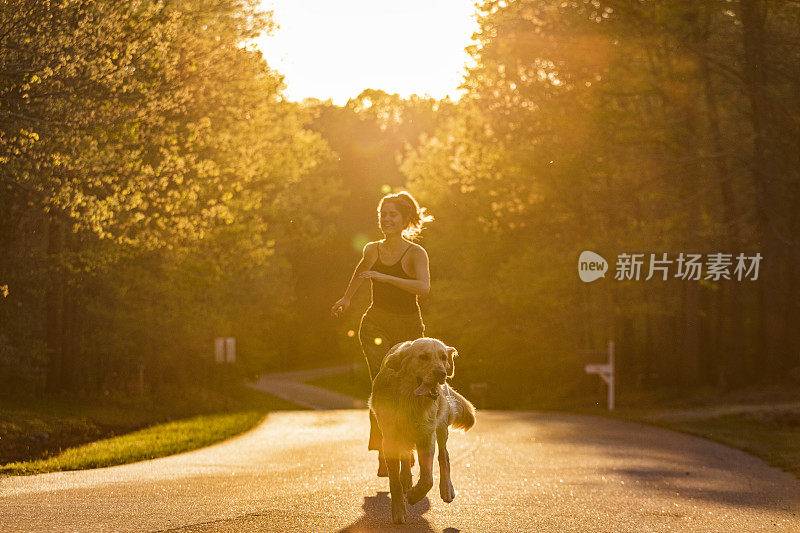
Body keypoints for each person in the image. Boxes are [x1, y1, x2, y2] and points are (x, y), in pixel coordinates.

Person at [331, 191, 432, 476]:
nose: (386, 219)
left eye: (392, 215)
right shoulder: (372, 250)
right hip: (375, 323)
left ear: (405, 220)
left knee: (410, 387)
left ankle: (407, 446)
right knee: (383, 385)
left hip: (409, 328)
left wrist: (385, 277)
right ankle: (384, 451)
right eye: (383, 214)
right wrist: (347, 298)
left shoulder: (415, 253)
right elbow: (361, 272)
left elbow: (424, 288)